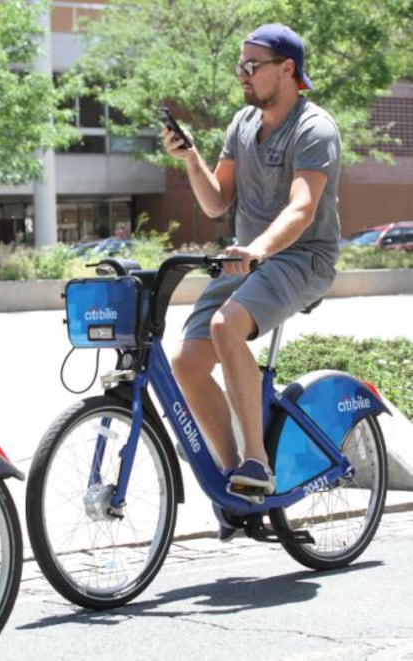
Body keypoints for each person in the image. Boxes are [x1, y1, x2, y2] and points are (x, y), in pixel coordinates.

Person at [162, 23, 341, 540]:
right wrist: (190, 157)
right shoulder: (243, 124)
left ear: (288, 70)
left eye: (252, 65)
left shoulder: (314, 128)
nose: (243, 74)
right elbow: (218, 201)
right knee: (186, 364)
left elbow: (303, 207)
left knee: (226, 325)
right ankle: (235, 478)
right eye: (240, 65)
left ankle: (257, 464)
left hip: (301, 257)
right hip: (246, 259)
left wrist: (259, 248)